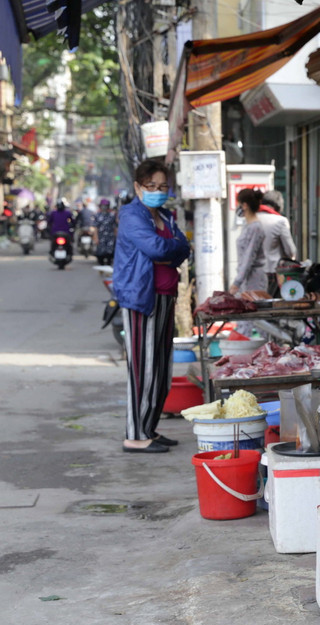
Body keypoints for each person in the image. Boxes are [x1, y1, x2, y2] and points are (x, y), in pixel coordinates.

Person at [113, 159, 191, 453]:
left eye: (162, 186)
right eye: (151, 186)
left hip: (165, 297)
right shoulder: (132, 215)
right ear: (137, 187)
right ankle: (134, 435)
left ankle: (149, 428)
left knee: (160, 369)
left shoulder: (165, 215)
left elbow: (183, 247)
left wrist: (171, 252)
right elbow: (157, 248)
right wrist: (172, 250)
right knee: (142, 370)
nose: (158, 191)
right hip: (141, 299)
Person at [258, 189, 297, 298]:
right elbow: (291, 251)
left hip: (252, 274)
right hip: (272, 273)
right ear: (278, 206)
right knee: (273, 305)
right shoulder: (280, 221)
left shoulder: (249, 220)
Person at [229, 189, 267, 296]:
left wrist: (237, 283)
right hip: (246, 279)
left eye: (239, 204)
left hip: (254, 281)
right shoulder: (248, 226)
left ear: (245, 205)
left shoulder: (255, 228)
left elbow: (249, 256)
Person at [93, 198, 117, 265]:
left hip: (110, 237)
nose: (104, 207)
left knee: (110, 253)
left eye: (106, 205)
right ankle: (102, 267)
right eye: (103, 205)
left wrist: (116, 237)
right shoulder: (97, 215)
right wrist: (96, 237)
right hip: (101, 237)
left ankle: (108, 267)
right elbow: (95, 228)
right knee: (100, 254)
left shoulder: (112, 215)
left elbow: (115, 227)